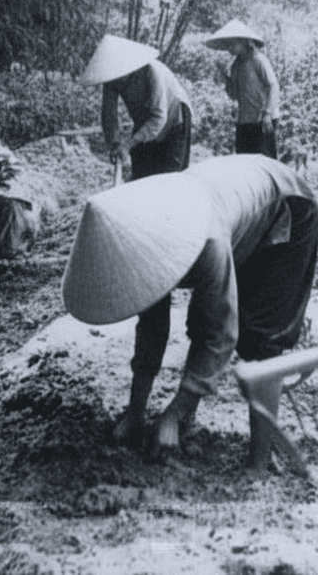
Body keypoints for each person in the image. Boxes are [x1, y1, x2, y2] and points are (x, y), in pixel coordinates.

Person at [62, 154, 318, 471]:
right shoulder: (140, 239)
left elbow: (221, 334)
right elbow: (152, 324)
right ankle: (183, 418)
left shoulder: (209, 242)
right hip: (236, 205)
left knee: (260, 341)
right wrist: (135, 411)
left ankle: (259, 462)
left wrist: (172, 413)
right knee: (201, 319)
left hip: (288, 205)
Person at [79, 34, 193, 437]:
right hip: (147, 132)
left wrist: (130, 142)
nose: (118, 83)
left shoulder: (154, 75)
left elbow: (158, 120)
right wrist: (115, 143)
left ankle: (164, 243)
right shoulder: (114, 82)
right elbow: (109, 117)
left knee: (165, 193)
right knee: (140, 190)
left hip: (173, 127)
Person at [205, 19, 280, 158]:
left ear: (244, 42)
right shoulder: (235, 66)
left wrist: (268, 113)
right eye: (227, 44)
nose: (229, 47)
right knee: (244, 161)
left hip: (262, 119)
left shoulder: (258, 60)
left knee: (264, 162)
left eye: (232, 43)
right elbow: (234, 95)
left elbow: (273, 85)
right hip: (244, 121)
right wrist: (227, 80)